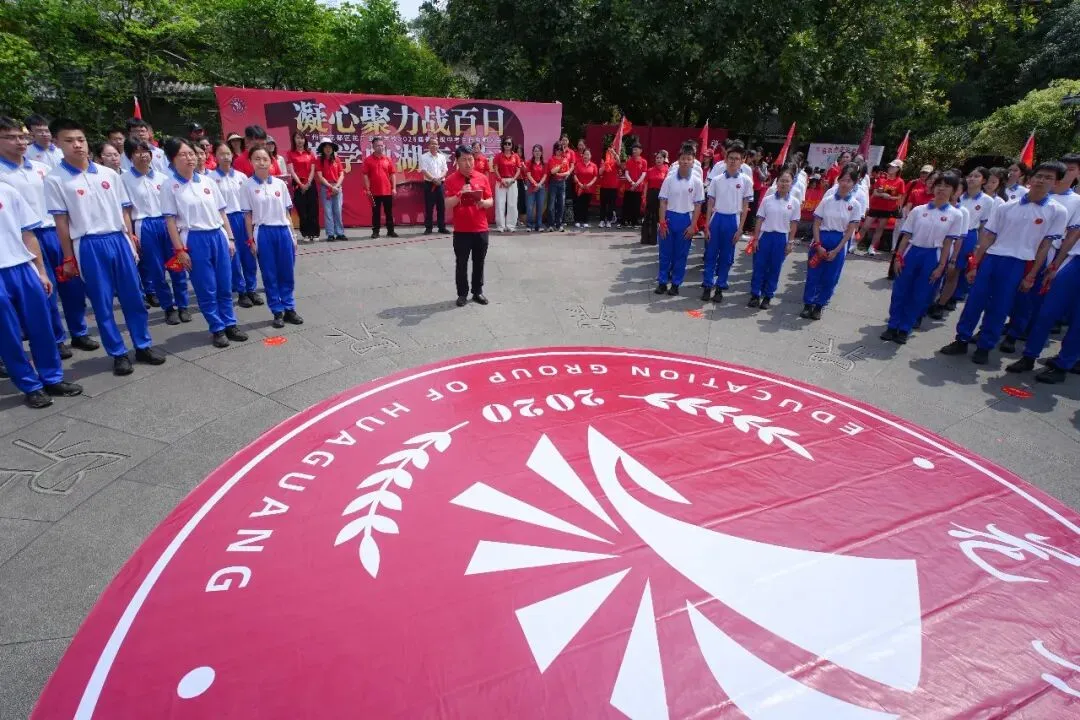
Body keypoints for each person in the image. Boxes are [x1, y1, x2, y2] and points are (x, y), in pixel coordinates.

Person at [45, 118, 166, 376]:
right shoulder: (55, 179)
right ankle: (118, 353)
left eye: (80, 139)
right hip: (88, 244)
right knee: (102, 302)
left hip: (118, 239)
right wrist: (68, 257)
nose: (77, 145)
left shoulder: (109, 174)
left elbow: (124, 211)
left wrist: (130, 238)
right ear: (57, 143)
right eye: (69, 141)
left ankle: (143, 345)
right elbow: (61, 222)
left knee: (133, 297)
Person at [939, 161, 1068, 364]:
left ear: (1056, 183)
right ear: (1031, 178)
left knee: (1000, 306)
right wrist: (975, 264)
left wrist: (1032, 275)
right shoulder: (1007, 206)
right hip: (993, 258)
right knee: (975, 301)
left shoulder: (1057, 211)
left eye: (1048, 178)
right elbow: (988, 237)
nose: (1042, 180)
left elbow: (1045, 246)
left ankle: (985, 346)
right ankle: (962, 339)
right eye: (1039, 176)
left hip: (1021, 263)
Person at [0, 116, 98, 355]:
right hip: (25, 238)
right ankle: (56, 338)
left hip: (55, 231)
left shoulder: (43, 169)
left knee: (72, 284)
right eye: (10, 137)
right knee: (45, 289)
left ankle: (79, 332)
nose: (19, 142)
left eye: (22, 137)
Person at [0, 182, 83, 407]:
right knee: (8, 335)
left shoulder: (8, 191)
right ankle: (30, 386)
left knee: (41, 326)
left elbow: (28, 234)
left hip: (22, 267)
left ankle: (52, 378)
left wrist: (41, 271)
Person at [159, 138, 247, 349]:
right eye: (183, 154)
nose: (190, 158)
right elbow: (170, 221)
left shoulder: (208, 181)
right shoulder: (169, 186)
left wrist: (230, 238)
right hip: (194, 238)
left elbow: (222, 212)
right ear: (172, 159)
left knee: (225, 284)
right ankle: (217, 328)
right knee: (206, 287)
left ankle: (230, 323)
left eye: (191, 153)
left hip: (217, 235)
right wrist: (180, 250)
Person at [1005, 176, 1080, 382]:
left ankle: (1063, 365)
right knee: (1047, 312)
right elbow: (1074, 235)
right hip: (1075, 262)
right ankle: (1029, 356)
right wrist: (1056, 265)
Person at [881, 172, 965, 344]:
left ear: (954, 190)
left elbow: (948, 243)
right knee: (900, 291)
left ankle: (905, 328)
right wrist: (898, 257)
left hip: (932, 255)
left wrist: (941, 266)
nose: (942, 189)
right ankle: (892, 325)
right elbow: (906, 236)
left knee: (920, 293)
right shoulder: (919, 210)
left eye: (947, 186)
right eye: (939, 185)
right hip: (912, 252)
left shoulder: (956, 215)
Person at [121, 138, 191, 326]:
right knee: (156, 269)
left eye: (146, 151)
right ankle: (168, 307)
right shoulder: (124, 180)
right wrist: (130, 235)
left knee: (177, 264)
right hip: (144, 226)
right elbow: (126, 211)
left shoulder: (163, 178)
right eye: (137, 152)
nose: (143, 155)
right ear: (130, 156)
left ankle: (183, 305)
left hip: (166, 223)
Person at [241, 146, 302, 329]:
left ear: (271, 161)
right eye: (257, 159)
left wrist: (293, 234)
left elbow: (287, 213)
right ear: (251, 162)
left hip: (283, 231)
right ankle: (277, 310)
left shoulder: (279, 184)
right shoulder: (247, 186)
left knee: (287, 272)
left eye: (265, 159)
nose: (261, 162)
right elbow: (248, 216)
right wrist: (250, 240)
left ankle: (289, 307)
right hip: (263, 232)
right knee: (269, 274)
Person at [799, 164, 862, 320]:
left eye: (849, 181)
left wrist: (837, 250)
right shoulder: (827, 200)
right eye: (843, 180)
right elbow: (816, 223)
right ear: (838, 180)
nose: (845, 183)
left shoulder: (855, 205)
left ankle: (819, 306)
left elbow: (850, 230)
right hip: (821, 238)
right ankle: (808, 304)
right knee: (813, 274)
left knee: (829, 278)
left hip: (838, 241)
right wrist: (818, 245)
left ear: (854, 184)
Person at [211, 141, 261, 308]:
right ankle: (241, 291)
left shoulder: (241, 177)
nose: (225, 157)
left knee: (249, 254)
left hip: (243, 218)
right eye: (221, 154)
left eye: (228, 153)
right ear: (215, 156)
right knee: (233, 256)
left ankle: (251, 288)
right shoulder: (211, 178)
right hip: (225, 220)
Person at [702, 141, 753, 303]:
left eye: (737, 159)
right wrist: (707, 225)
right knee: (711, 254)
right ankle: (707, 285)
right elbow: (710, 203)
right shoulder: (717, 180)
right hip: (717, 219)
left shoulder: (746, 181)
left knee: (726, 256)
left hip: (733, 220)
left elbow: (745, 206)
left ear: (742, 161)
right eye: (731, 158)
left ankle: (720, 286)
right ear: (725, 159)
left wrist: (740, 229)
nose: (733, 161)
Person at [936, 167, 994, 310]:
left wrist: (978, 246)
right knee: (941, 266)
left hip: (968, 235)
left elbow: (984, 226)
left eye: (976, 176)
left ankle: (946, 301)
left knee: (955, 270)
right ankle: (937, 297)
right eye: (970, 175)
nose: (972, 178)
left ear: (984, 181)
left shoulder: (987, 200)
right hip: (947, 234)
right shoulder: (959, 195)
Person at [444, 145, 494, 306]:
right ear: (457, 161)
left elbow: (490, 200)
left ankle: (477, 291)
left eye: (470, 159)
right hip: (462, 230)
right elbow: (447, 204)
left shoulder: (482, 178)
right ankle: (462, 294)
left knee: (479, 262)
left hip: (481, 228)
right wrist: (460, 194)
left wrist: (484, 203)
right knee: (461, 263)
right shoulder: (451, 180)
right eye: (464, 160)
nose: (468, 163)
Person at [654, 143, 705, 296]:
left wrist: (693, 226)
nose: (685, 161)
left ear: (693, 161)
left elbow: (698, 206)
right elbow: (663, 202)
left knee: (680, 255)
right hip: (669, 217)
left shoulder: (696, 181)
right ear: (678, 160)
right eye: (683, 158)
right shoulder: (669, 179)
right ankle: (662, 282)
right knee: (665, 254)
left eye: (688, 159)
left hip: (685, 219)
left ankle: (676, 284)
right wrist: (662, 222)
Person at [747, 167, 801, 309]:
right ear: (777, 182)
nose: (784, 184)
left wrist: (790, 242)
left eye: (787, 181)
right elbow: (759, 220)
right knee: (759, 266)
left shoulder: (795, 203)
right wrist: (756, 239)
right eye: (782, 180)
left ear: (791, 183)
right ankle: (755, 294)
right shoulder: (767, 200)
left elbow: (794, 224)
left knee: (775, 268)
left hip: (781, 238)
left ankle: (768, 295)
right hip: (765, 237)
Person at [864, 160, 906, 255]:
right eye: (890, 166)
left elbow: (900, 196)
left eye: (893, 167)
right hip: (875, 206)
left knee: (880, 229)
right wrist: (882, 195)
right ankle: (854, 243)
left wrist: (890, 197)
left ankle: (872, 247)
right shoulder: (881, 178)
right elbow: (875, 193)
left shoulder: (900, 182)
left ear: (898, 169)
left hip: (887, 209)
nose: (890, 168)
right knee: (865, 226)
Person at [287, 131, 319, 243]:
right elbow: (292, 171)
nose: (300, 140)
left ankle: (314, 233)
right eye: (297, 138)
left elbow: (313, 169)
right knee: (302, 210)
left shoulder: (310, 153)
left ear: (305, 140)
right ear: (294, 140)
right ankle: (305, 233)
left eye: (302, 138)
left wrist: (308, 182)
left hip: (310, 183)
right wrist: (300, 184)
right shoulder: (290, 153)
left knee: (313, 209)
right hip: (298, 184)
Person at [362, 137, 397, 239]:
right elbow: (365, 175)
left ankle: (390, 231)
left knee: (389, 212)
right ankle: (375, 232)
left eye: (382, 145)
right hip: (374, 191)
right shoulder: (368, 160)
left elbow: (393, 174)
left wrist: (394, 188)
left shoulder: (388, 159)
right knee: (376, 213)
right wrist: (367, 189)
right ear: (373, 147)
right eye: (378, 146)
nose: (380, 147)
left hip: (387, 191)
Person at [316, 139, 347, 242]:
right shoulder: (319, 160)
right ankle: (330, 234)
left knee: (338, 211)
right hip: (326, 188)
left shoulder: (337, 159)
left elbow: (341, 174)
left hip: (337, 188)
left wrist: (336, 187)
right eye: (325, 147)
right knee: (328, 212)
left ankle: (340, 233)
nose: (328, 149)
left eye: (330, 147)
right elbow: (320, 176)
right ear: (322, 149)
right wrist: (330, 187)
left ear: (333, 149)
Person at [419, 137, 449, 235]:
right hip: (429, 184)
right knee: (429, 207)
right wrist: (433, 179)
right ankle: (428, 228)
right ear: (429, 146)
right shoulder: (424, 157)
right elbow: (424, 170)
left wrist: (439, 178)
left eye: (436, 144)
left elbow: (445, 170)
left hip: (440, 184)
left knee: (441, 206)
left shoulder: (442, 157)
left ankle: (442, 227)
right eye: (432, 144)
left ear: (438, 146)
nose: (434, 146)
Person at [493, 136, 522, 232]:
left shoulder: (516, 156)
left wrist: (513, 180)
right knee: (500, 204)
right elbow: (496, 169)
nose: (507, 145)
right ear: (503, 144)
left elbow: (518, 170)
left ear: (512, 145)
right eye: (505, 143)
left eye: (509, 143)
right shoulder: (498, 156)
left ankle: (511, 226)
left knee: (512, 204)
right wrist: (501, 180)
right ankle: (500, 226)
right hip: (501, 181)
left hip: (512, 181)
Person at [640, 151, 668, 245]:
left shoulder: (667, 170)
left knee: (660, 217)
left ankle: (658, 239)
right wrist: (644, 196)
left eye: (660, 158)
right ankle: (646, 238)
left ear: (664, 159)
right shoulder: (650, 170)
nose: (658, 159)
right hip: (651, 194)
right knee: (649, 216)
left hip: (662, 195)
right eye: (657, 158)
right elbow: (646, 184)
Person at [547, 143, 571, 232]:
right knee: (551, 205)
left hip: (562, 183)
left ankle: (559, 224)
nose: (559, 151)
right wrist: (561, 165)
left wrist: (560, 174)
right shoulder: (551, 159)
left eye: (561, 149)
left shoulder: (565, 159)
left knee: (561, 204)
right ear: (555, 150)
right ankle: (551, 224)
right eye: (557, 149)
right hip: (553, 183)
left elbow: (568, 172)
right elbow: (552, 171)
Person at [622, 144, 647, 227]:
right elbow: (626, 173)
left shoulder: (644, 161)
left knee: (636, 205)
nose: (634, 151)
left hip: (638, 187)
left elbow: (644, 174)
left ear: (640, 151)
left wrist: (637, 183)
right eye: (633, 149)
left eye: (636, 149)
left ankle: (634, 221)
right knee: (627, 204)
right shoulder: (629, 161)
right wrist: (631, 182)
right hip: (629, 187)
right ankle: (625, 221)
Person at [572, 148, 598, 228]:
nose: (586, 156)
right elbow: (575, 175)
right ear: (582, 155)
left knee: (586, 205)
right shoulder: (578, 164)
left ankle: (585, 221)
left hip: (588, 188)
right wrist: (579, 183)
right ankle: (577, 221)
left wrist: (590, 184)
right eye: (585, 154)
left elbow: (595, 176)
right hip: (579, 188)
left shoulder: (593, 165)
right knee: (578, 205)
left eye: (588, 154)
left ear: (590, 156)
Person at [523, 144, 547, 232]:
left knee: (540, 207)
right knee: (530, 207)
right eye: (535, 151)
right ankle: (529, 225)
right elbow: (528, 174)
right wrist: (534, 184)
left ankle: (538, 225)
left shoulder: (544, 163)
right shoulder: (529, 162)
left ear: (541, 152)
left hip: (541, 186)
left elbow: (545, 175)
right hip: (531, 186)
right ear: (533, 152)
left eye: (539, 151)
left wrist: (539, 184)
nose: (537, 153)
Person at [598, 145, 621, 228]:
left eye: (611, 151)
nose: (609, 152)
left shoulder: (615, 161)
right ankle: (601, 220)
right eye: (608, 151)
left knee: (611, 205)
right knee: (603, 204)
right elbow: (600, 172)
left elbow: (619, 163)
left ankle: (609, 220)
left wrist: (614, 153)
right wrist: (605, 164)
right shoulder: (603, 161)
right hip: (604, 186)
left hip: (613, 187)